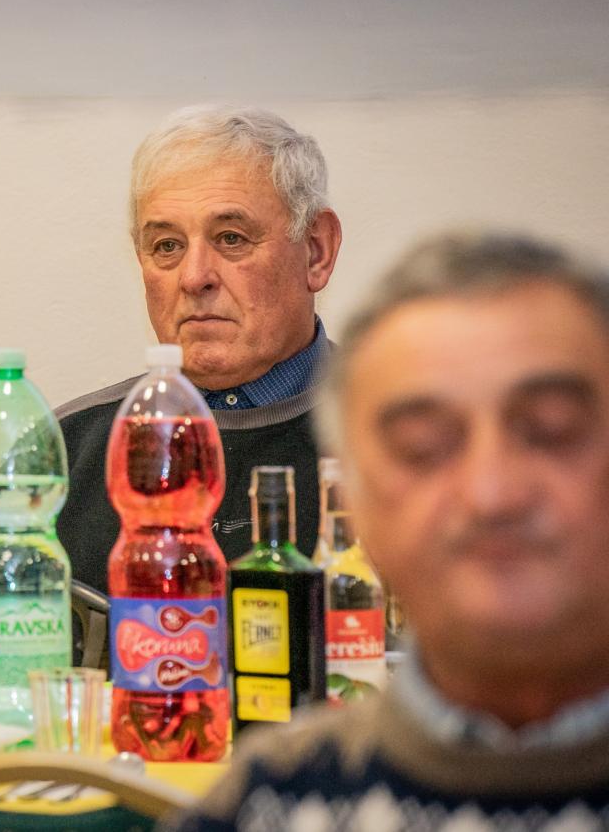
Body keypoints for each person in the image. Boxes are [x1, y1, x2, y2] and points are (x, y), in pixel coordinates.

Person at [163, 231, 609, 830]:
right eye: (424, 446)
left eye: (552, 430)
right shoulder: (269, 801)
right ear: (353, 501)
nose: (492, 492)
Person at [57, 106, 343, 592]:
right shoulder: (65, 455)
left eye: (231, 238)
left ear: (316, 251)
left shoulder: (405, 441)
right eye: (167, 246)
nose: (194, 278)